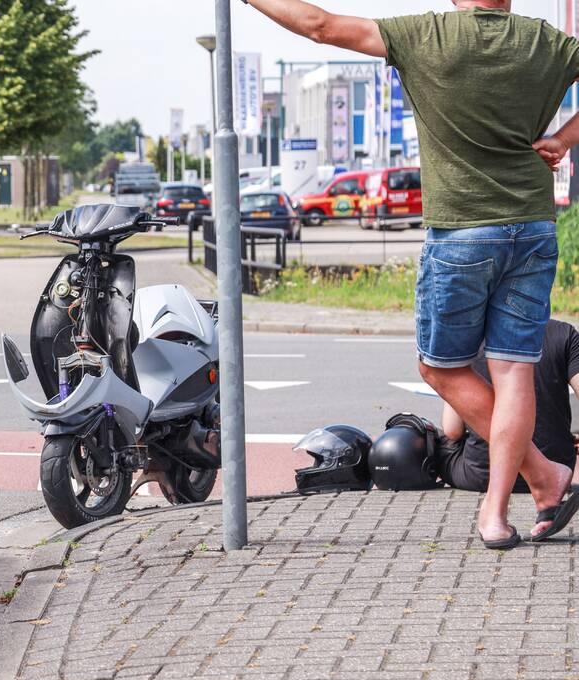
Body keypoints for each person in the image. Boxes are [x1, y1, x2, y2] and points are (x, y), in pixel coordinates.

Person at [245, 0, 579, 548]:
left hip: (462, 232)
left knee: (441, 368)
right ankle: (508, 506)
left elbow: (320, 26)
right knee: (513, 369)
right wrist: (564, 139)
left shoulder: (428, 35)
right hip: (533, 225)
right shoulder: (543, 42)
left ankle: (540, 476)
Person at [439, 319, 579, 492]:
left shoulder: (467, 338)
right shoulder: (564, 333)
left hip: (483, 475)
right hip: (557, 463)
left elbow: (452, 430)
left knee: (441, 442)